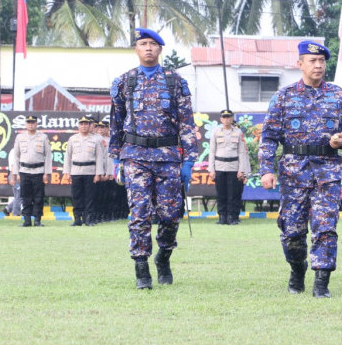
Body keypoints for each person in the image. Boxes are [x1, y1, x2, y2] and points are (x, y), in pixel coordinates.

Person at [258, 40, 342, 298]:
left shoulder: (339, 95)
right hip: (293, 172)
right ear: (300, 64)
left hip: (327, 172)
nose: (318, 65)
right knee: (292, 230)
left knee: (325, 227)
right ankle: (297, 268)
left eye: (321, 61)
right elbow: (269, 136)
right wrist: (266, 170)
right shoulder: (284, 96)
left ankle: (322, 282)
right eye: (312, 61)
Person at [109, 27, 198, 289]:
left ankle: (164, 256)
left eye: (153, 44)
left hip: (168, 157)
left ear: (160, 50)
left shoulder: (175, 81)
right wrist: (116, 159)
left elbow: (187, 123)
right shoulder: (124, 82)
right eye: (143, 43)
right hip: (135, 157)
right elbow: (115, 123)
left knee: (171, 215)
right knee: (139, 213)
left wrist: (189, 160)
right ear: (136, 49)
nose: (148, 48)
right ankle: (141, 269)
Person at [208, 109, 251, 225]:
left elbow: (242, 152)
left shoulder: (238, 132)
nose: (226, 119)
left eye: (228, 117)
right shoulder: (215, 132)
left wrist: (241, 169)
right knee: (221, 193)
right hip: (219, 166)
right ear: (221, 119)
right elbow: (211, 151)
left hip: (233, 166)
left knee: (234, 194)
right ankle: (222, 217)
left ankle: (233, 217)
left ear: (232, 118)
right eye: (224, 117)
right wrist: (211, 169)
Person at [63, 116, 106, 226]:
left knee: (89, 197)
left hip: (90, 171)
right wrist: (67, 172)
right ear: (78, 126)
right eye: (81, 124)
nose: (84, 126)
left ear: (89, 125)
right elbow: (68, 156)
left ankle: (88, 219)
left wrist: (98, 173)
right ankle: (77, 219)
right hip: (76, 171)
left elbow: (99, 157)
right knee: (76, 196)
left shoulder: (95, 140)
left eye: (86, 124)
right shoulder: (73, 139)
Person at [13, 115, 52, 227]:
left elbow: (48, 156)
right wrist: (17, 173)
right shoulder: (20, 137)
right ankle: (26, 220)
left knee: (38, 197)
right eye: (29, 122)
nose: (31, 124)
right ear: (26, 124)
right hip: (24, 170)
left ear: (36, 124)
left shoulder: (43, 137)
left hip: (39, 171)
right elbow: (16, 156)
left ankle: (37, 220)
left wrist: (46, 173)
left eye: (33, 122)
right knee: (25, 197)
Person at [5, 149, 22, 217]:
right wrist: (13, 177)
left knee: (20, 195)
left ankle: (8, 208)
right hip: (15, 174)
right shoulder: (14, 151)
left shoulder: (14, 150)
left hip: (17, 174)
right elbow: (12, 166)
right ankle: (15, 213)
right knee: (19, 195)